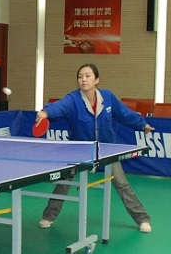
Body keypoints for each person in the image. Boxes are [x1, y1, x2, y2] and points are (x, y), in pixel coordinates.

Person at [34, 63, 154, 233]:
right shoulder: (73, 99)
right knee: (63, 183)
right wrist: (45, 112)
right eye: (80, 76)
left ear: (96, 80)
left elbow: (124, 113)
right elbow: (59, 106)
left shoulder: (108, 97)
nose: (83, 79)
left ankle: (142, 219)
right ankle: (48, 216)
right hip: (79, 150)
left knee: (121, 183)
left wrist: (142, 124)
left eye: (88, 76)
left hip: (106, 149)